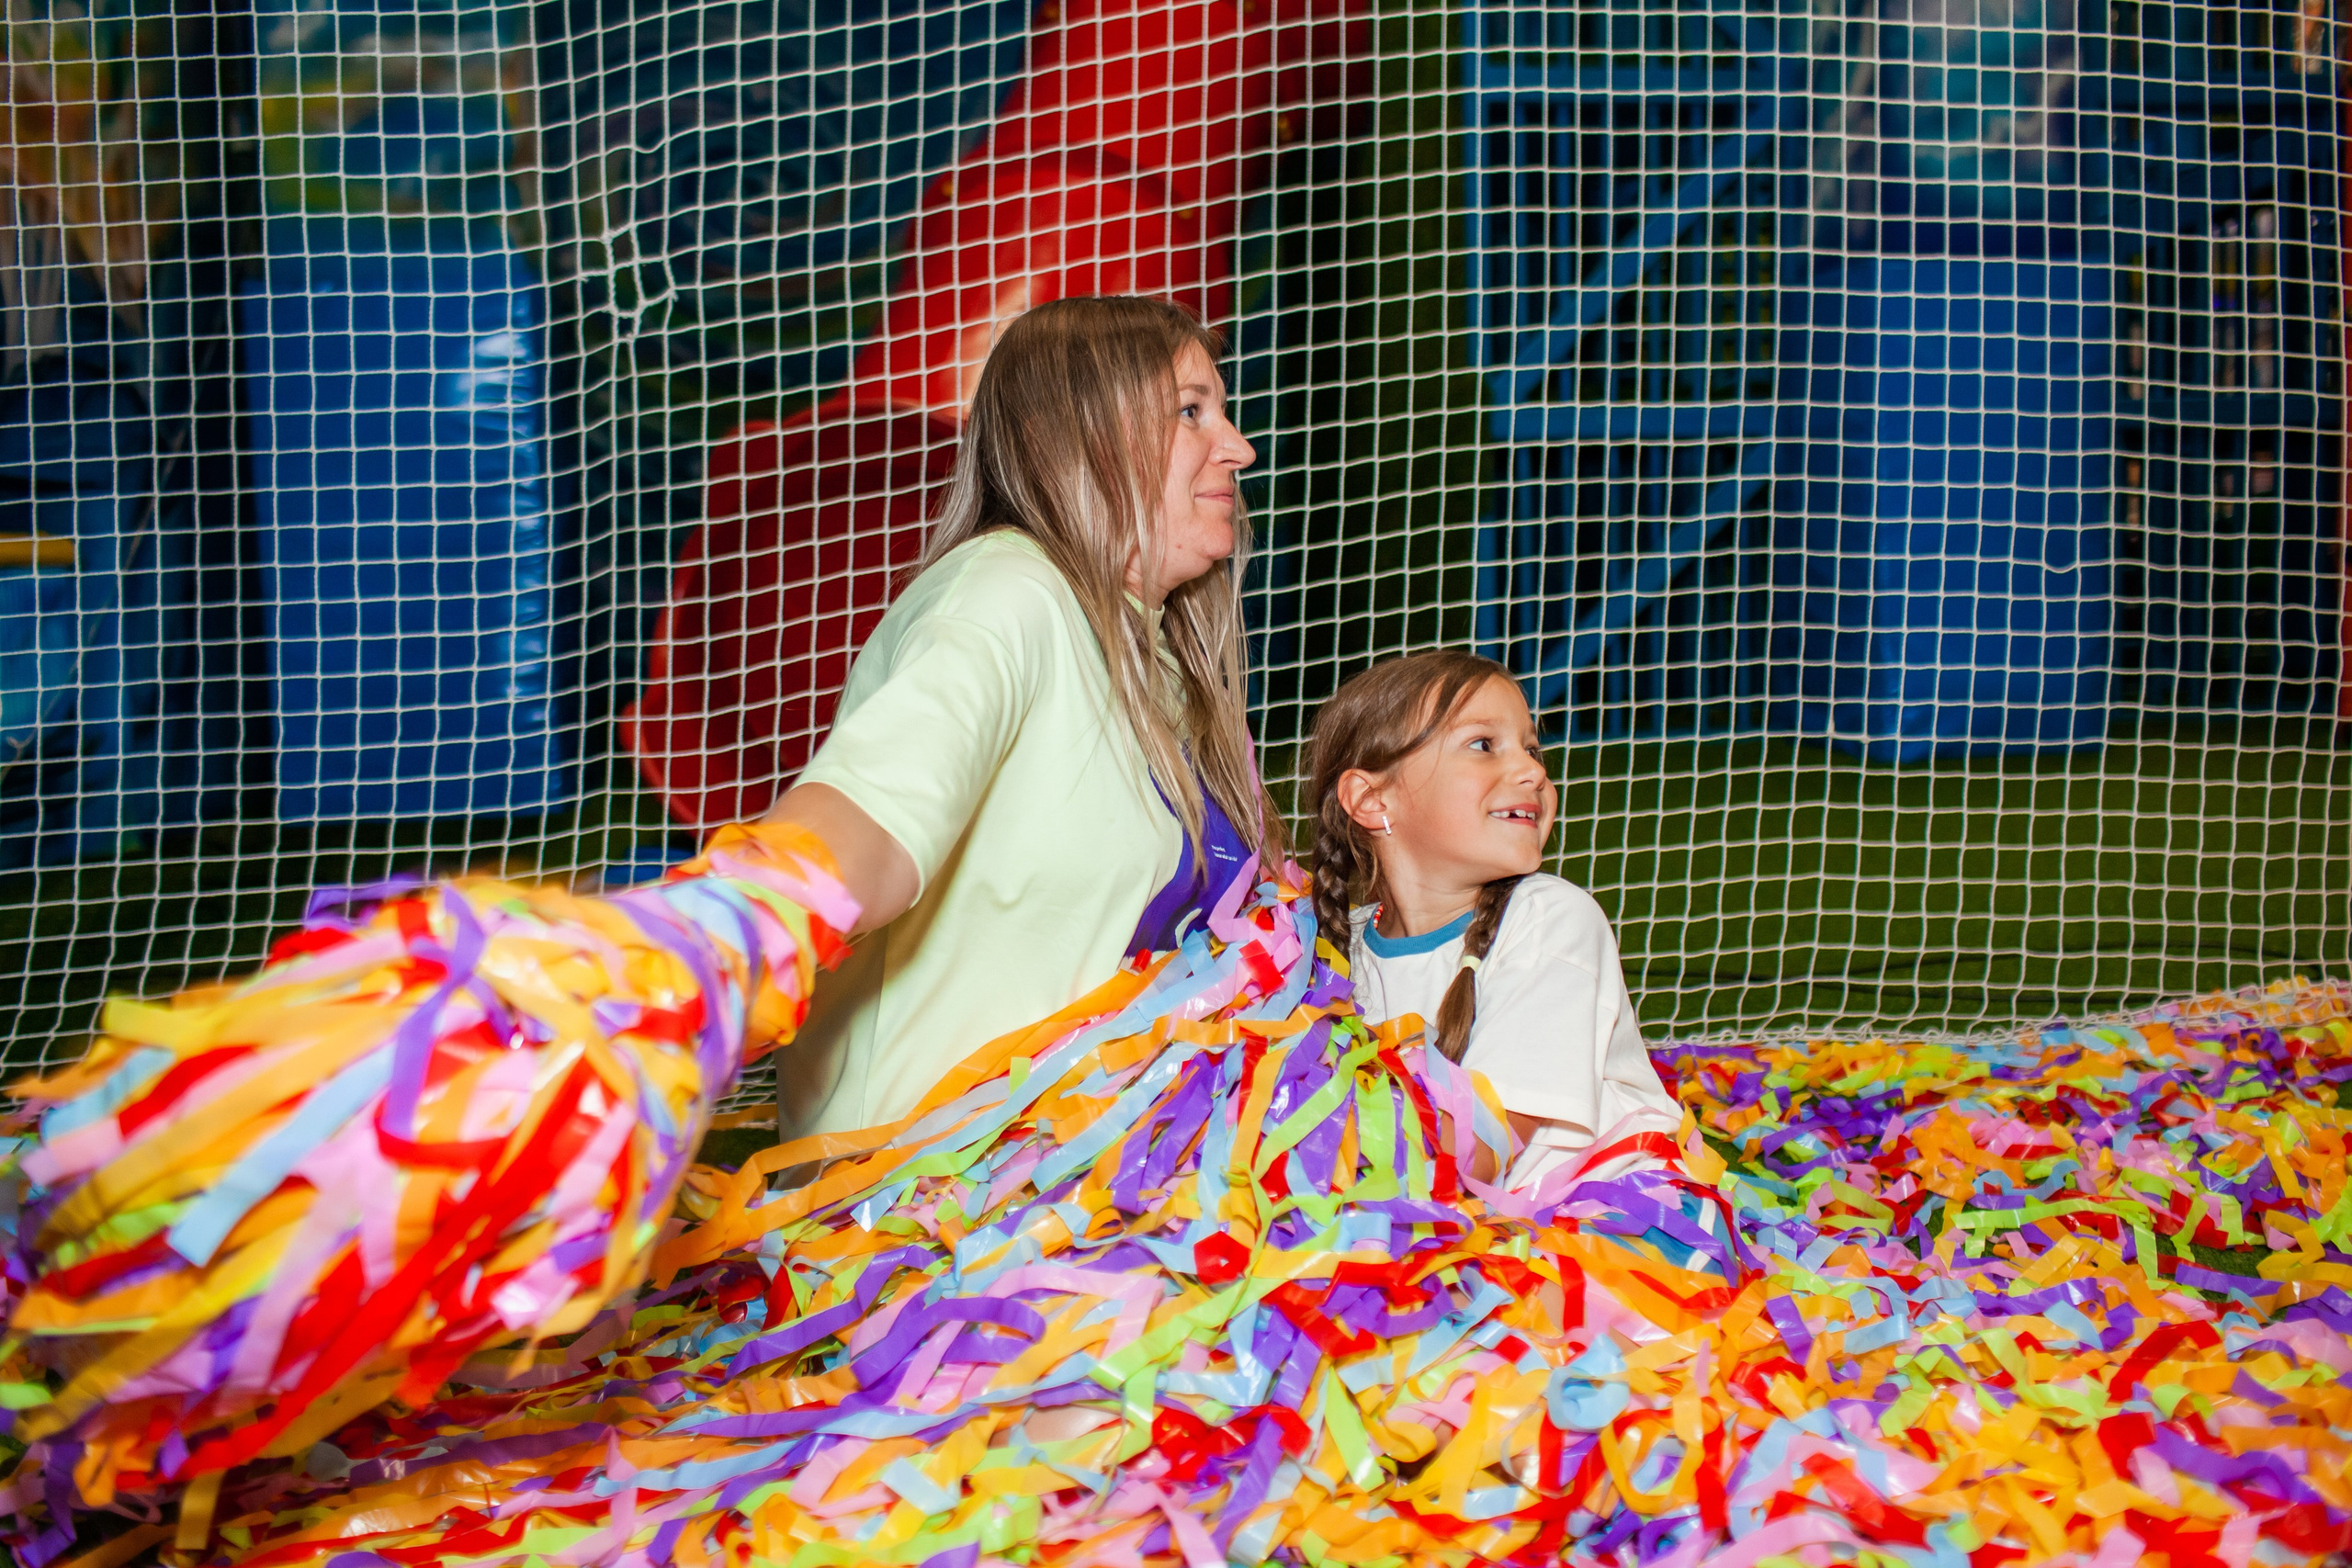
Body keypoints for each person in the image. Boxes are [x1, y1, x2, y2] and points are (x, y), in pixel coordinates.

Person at [762, 297, 1279, 1140]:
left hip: (1092, 1184)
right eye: (1191, 411)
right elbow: (872, 819)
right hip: (923, 1211)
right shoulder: (1009, 592)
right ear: (1076, 438)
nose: (1238, 448)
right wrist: (735, 920)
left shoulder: (1165, 658)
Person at [1306, 650, 1683, 1192]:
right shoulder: (1337, 953)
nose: (1534, 771)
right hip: (1463, 1230)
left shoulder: (1550, 917)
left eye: (1532, 749)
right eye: (1484, 745)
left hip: (1617, 1229)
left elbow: (1475, 1155)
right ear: (1371, 800)